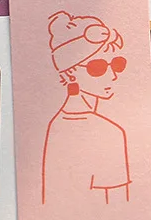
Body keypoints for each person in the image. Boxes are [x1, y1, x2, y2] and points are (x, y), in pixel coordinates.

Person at [41, 11, 131, 205]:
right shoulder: (109, 132)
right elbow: (120, 207)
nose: (112, 75)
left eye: (117, 64)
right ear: (70, 73)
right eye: (97, 67)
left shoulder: (55, 124)